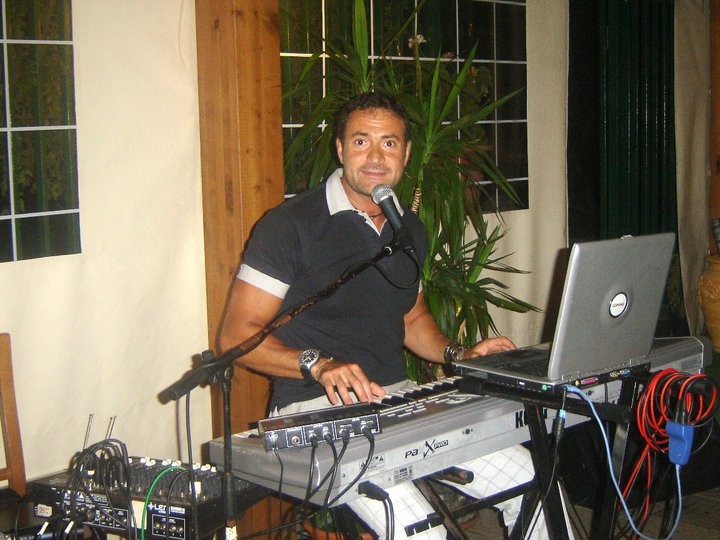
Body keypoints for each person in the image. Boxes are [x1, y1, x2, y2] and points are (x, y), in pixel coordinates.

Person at [220, 91, 571, 539]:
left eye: (389, 143)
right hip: (315, 409)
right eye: (361, 141)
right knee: (422, 531)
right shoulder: (289, 225)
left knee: (535, 483)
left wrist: (459, 354)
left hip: (397, 400)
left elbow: (411, 319)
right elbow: (235, 336)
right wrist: (319, 365)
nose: (375, 157)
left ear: (405, 155)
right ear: (340, 149)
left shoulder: (409, 228)